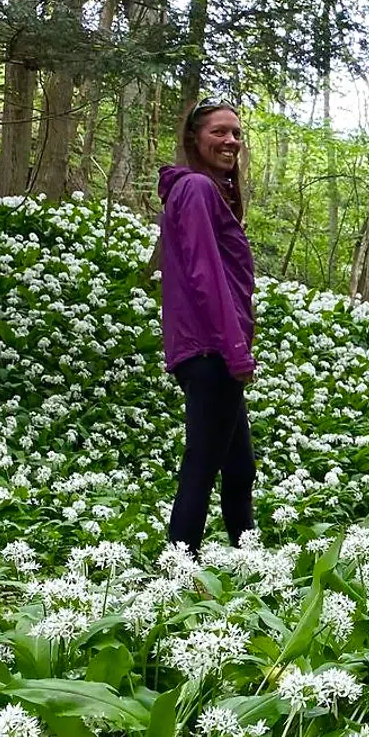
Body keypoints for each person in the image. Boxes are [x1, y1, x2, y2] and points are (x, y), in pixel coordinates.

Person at [157, 100, 256, 553]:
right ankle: (178, 571)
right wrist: (235, 350)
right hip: (209, 348)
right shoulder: (195, 187)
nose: (231, 141)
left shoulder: (206, 190)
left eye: (235, 133)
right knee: (202, 463)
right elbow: (205, 272)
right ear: (194, 139)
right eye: (219, 132)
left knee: (239, 466)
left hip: (211, 346)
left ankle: (248, 557)